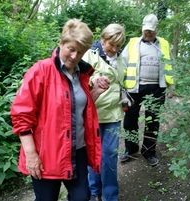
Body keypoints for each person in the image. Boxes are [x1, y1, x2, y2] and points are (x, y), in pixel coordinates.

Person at [10, 18, 108, 201]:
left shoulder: (83, 74)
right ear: (61, 43)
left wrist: (94, 94)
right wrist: (31, 155)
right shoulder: (41, 71)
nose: (74, 56)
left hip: (77, 150)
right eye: (71, 49)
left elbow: (74, 109)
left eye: (80, 52)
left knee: (82, 197)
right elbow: (21, 115)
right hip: (47, 153)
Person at [119, 14, 175, 166]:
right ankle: (130, 149)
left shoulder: (164, 44)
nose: (148, 33)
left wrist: (172, 87)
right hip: (133, 89)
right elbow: (122, 64)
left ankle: (149, 151)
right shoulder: (132, 43)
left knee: (153, 122)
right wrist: (118, 86)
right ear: (141, 29)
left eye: (151, 31)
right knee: (129, 120)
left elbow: (171, 66)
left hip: (157, 89)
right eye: (146, 30)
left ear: (157, 29)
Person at [82, 24, 126, 201]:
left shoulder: (120, 57)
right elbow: (81, 79)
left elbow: (120, 80)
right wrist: (95, 80)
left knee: (110, 155)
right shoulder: (89, 55)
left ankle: (110, 196)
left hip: (114, 114)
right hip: (95, 113)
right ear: (102, 39)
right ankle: (94, 190)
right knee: (94, 154)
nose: (114, 49)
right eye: (111, 45)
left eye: (118, 45)